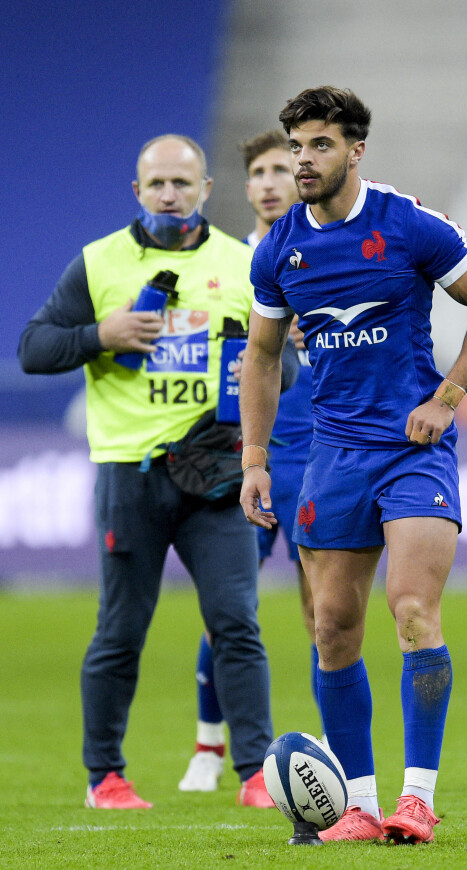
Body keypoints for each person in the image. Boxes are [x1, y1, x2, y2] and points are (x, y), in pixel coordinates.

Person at [239, 87, 467, 844]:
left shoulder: (407, 223)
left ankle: (417, 799)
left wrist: (449, 396)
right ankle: (359, 806)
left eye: (319, 145)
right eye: (296, 146)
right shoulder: (278, 248)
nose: (303, 160)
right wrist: (255, 457)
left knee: (412, 609)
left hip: (412, 450)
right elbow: (261, 357)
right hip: (332, 455)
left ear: (355, 150)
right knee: (331, 626)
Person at [18, 134, 299, 810]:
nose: (169, 194)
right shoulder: (98, 263)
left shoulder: (244, 262)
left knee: (236, 621)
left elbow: (281, 370)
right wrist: (99, 336)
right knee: (120, 629)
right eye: (157, 184)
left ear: (206, 190)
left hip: (215, 475)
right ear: (137, 193)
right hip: (130, 475)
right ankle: (105, 777)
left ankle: (256, 773)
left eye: (183, 182)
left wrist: (262, 367)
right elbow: (33, 348)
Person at [179, 130, 320, 794]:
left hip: (322, 451)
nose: (267, 182)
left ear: (301, 178)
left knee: (324, 608)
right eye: (257, 172)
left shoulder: (328, 251)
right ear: (246, 186)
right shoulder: (231, 265)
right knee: (231, 607)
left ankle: (328, 739)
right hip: (253, 453)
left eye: (279, 170)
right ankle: (210, 746)